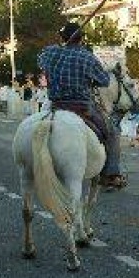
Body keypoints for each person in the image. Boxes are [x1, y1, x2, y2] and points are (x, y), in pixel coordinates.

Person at [38, 22, 123, 189]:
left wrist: (58, 47)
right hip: (81, 106)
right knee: (112, 132)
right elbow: (104, 81)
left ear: (63, 38)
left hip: (54, 105)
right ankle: (111, 174)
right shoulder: (87, 57)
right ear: (81, 39)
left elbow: (39, 60)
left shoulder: (51, 53)